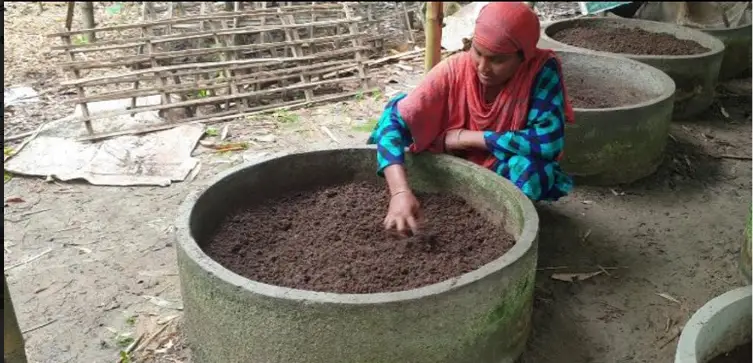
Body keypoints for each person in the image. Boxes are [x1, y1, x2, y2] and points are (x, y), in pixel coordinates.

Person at [367, 2, 576, 237]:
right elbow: (392, 123)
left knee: (534, 171)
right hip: (449, 162)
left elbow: (548, 141)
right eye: (478, 52)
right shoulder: (454, 71)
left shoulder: (539, 71)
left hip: (499, 162)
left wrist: (467, 137)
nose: (483, 68)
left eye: (498, 60)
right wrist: (399, 192)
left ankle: (504, 225)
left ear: (523, 58)